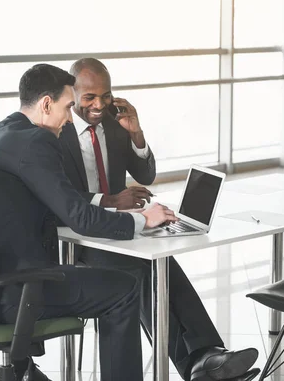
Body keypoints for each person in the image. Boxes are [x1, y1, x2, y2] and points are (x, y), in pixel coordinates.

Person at [0, 63, 178, 381]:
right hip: (12, 292)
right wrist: (142, 220)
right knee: (125, 288)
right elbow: (80, 217)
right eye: (66, 108)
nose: (68, 118)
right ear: (46, 105)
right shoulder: (36, 142)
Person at [59, 58, 260, 381]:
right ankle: (200, 362)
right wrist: (111, 200)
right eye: (89, 98)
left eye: (106, 96)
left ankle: (205, 355)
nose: (100, 105)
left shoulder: (112, 123)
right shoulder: (58, 130)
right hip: (79, 236)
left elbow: (146, 174)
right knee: (140, 269)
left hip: (117, 226)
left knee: (161, 261)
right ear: (72, 94)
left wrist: (136, 134)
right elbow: (60, 198)